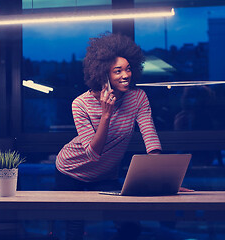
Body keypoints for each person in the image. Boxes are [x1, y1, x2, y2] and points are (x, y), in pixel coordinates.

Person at [55, 32, 162, 240]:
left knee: (130, 225)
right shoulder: (80, 104)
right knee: (75, 228)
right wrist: (106, 114)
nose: (126, 75)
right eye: (118, 71)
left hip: (104, 175)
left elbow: (150, 137)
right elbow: (93, 153)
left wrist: (161, 177)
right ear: (103, 74)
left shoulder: (138, 98)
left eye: (129, 69)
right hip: (70, 170)